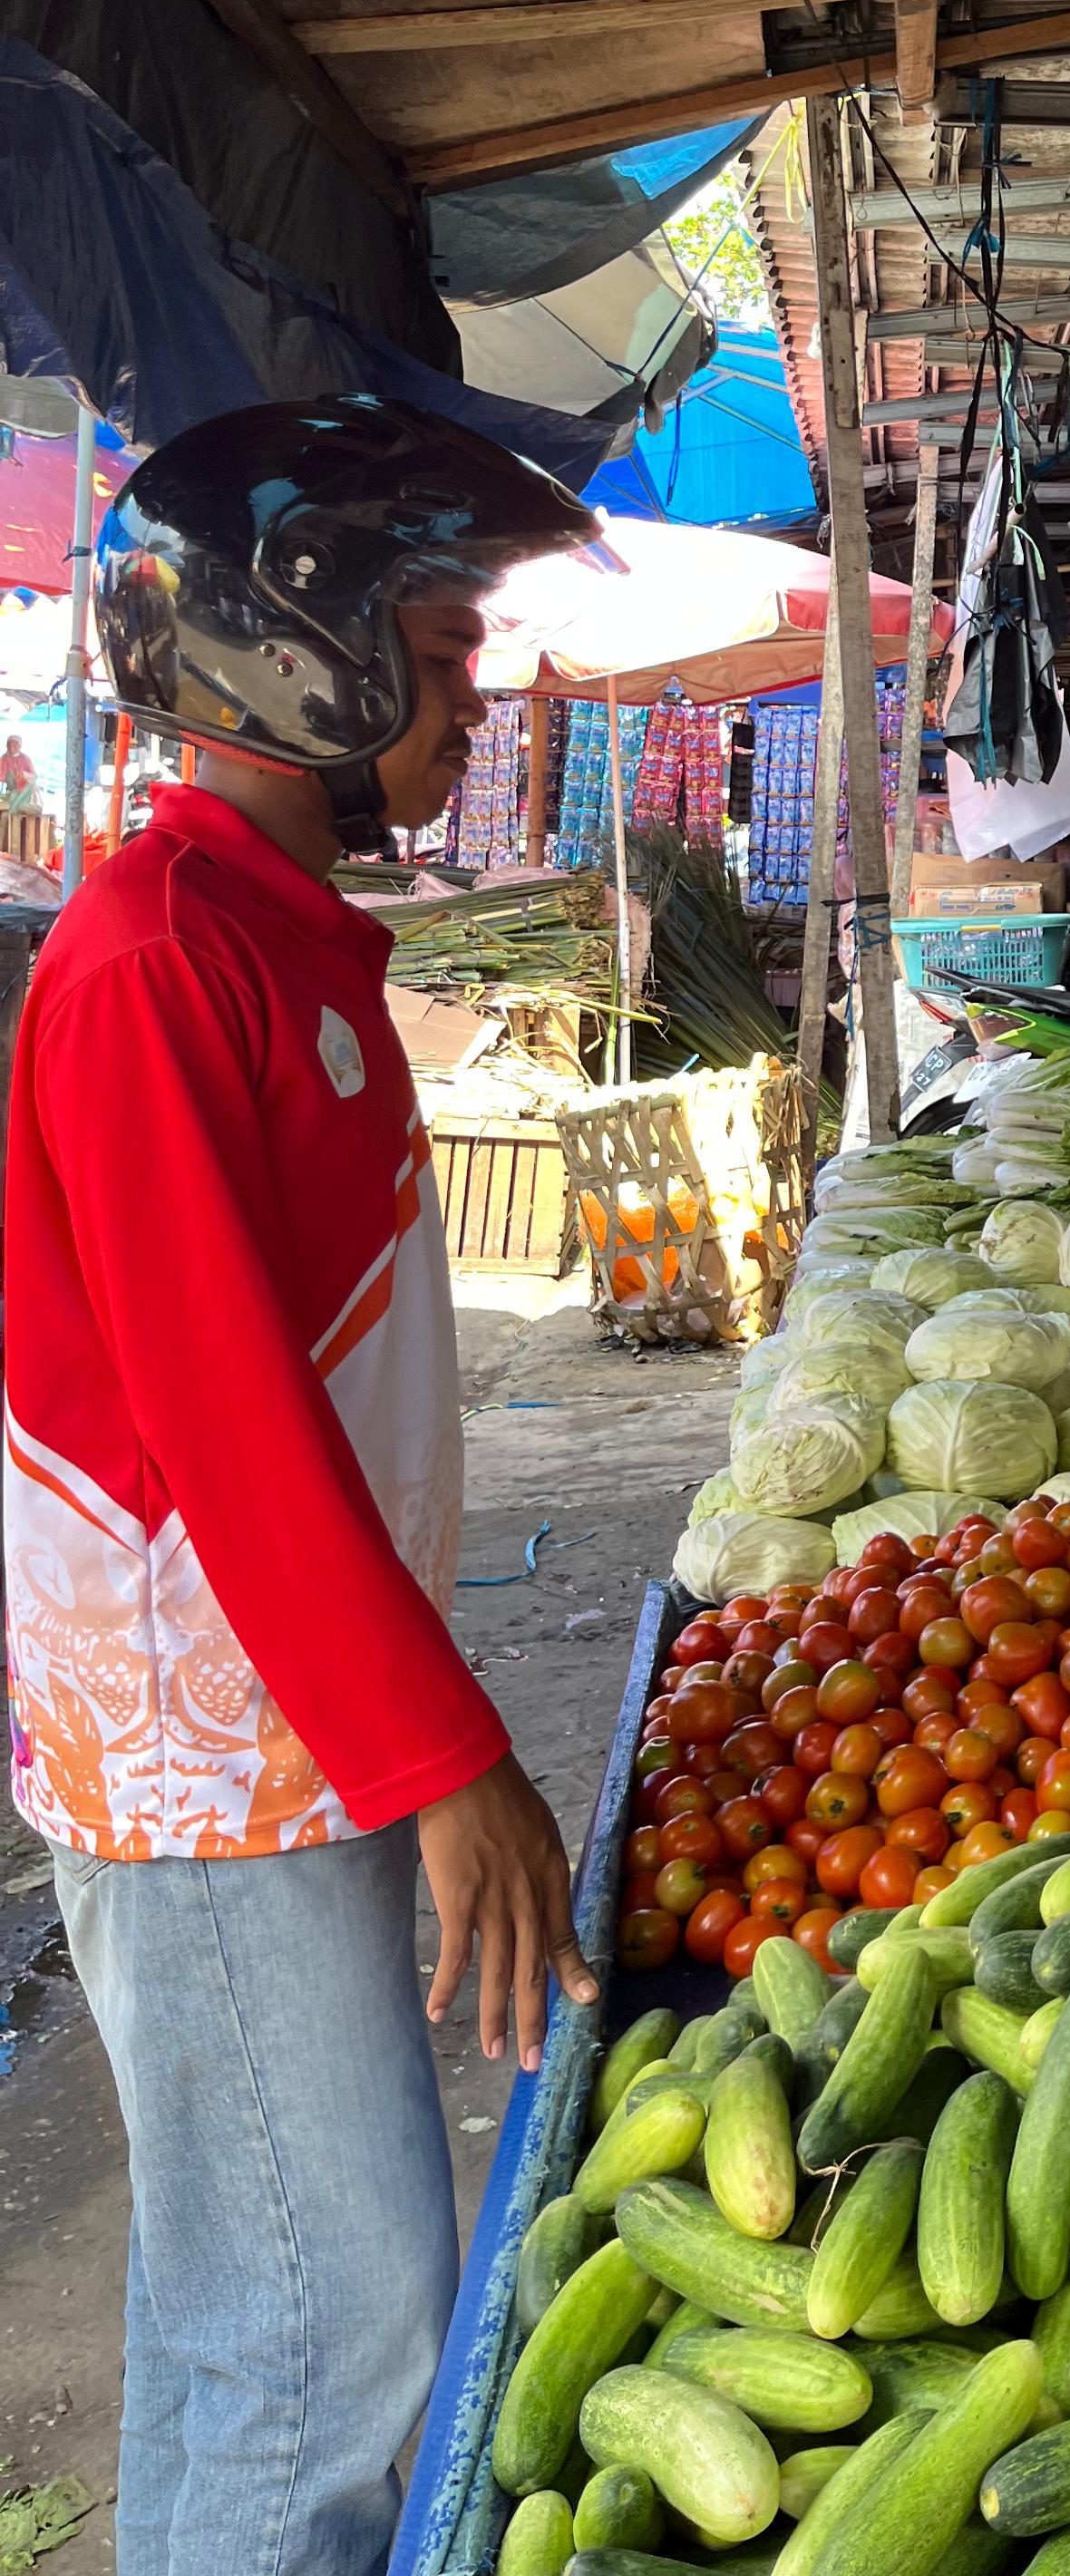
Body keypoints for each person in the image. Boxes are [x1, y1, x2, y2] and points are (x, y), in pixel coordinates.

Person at [2, 394, 608, 2576]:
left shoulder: (261, 934)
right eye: (444, 654)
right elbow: (225, 1424)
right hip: (209, 1755)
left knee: (243, 2309)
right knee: (336, 2342)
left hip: (278, 1728)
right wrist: (446, 1761)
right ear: (307, 660)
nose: (477, 698)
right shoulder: (156, 965)